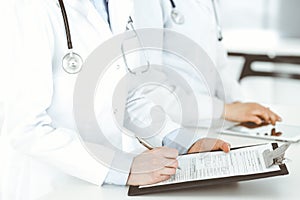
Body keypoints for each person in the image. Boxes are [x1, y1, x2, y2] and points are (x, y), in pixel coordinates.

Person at [2, 1, 230, 199]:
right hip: (48, 185)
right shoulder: (26, 7)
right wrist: (122, 168)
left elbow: (129, 97)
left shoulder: (118, 5)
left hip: (109, 186)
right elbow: (25, 127)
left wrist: (182, 143)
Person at [128, 0, 281, 129]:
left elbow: (219, 66)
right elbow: (149, 89)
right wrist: (225, 110)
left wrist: (241, 107)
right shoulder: (145, 3)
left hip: (210, 123)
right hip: (170, 128)